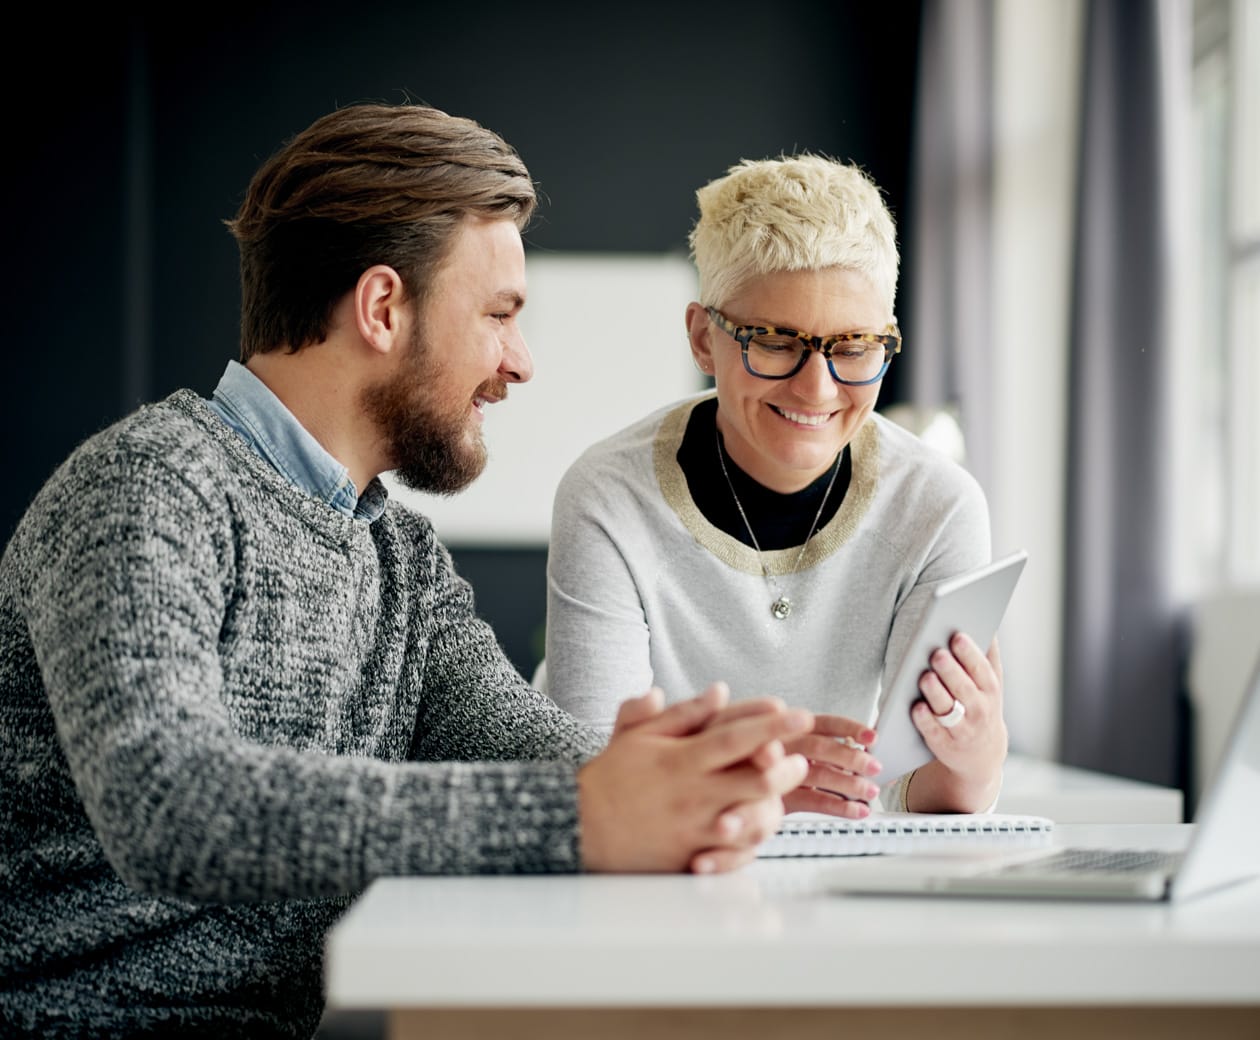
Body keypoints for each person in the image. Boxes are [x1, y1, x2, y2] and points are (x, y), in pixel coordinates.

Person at [0, 104, 813, 1039]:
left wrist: (699, 778)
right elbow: (171, 803)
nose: (521, 363)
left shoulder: (398, 555)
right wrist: (580, 815)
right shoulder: (150, 486)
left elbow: (524, 744)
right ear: (383, 308)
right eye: (500, 314)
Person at [544, 153, 1007, 819]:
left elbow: (924, 800)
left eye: (853, 347)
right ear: (704, 340)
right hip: (654, 867)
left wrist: (977, 759)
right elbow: (594, 782)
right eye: (774, 342)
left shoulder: (939, 506)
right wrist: (759, 788)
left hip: (830, 860)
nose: (816, 389)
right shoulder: (607, 497)